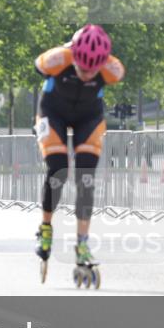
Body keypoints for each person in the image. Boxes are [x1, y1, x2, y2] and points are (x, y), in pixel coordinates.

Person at [33, 24, 124, 286]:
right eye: (83, 68)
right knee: (58, 169)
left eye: (93, 70)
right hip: (53, 113)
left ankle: (82, 243)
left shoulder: (113, 69)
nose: (87, 75)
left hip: (88, 117)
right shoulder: (57, 59)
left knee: (85, 177)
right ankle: (46, 228)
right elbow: (37, 66)